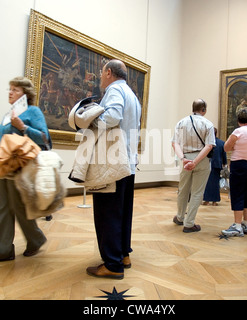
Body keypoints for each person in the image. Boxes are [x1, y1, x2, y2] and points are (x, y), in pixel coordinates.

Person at [0, 77, 52, 264]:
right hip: (1, 166)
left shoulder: (32, 111)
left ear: (25, 94)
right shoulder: (10, 113)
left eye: (15, 90)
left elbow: (45, 139)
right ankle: (4, 249)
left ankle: (35, 239)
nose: (10, 92)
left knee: (18, 207)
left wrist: (23, 127)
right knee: (3, 207)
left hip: (18, 167)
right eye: (10, 89)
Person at [85, 60, 141, 279]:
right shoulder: (132, 95)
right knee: (123, 212)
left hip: (112, 163)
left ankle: (112, 264)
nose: (100, 77)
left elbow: (112, 116)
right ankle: (123, 254)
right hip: (128, 162)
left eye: (101, 73)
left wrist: (88, 119)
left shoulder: (115, 89)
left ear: (108, 72)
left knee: (107, 212)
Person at [172, 99, 215, 233]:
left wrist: (183, 159)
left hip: (185, 159)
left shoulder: (181, 122)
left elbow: (175, 143)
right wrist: (195, 161)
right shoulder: (208, 124)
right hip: (201, 160)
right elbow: (209, 146)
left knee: (183, 189)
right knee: (197, 192)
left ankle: (180, 217)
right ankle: (189, 223)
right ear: (204, 110)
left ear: (193, 108)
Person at [221, 108, 247, 237]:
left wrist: (233, 146)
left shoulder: (238, 131)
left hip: (239, 165)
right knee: (245, 194)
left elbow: (226, 147)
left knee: (237, 194)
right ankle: (246, 223)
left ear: (238, 119)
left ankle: (237, 226)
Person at [202, 127, 227, 206]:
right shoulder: (221, 143)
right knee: (216, 184)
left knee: (207, 183)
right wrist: (224, 164)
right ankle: (214, 201)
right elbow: (224, 155)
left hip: (207, 164)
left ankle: (207, 200)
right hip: (217, 165)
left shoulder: (207, 143)